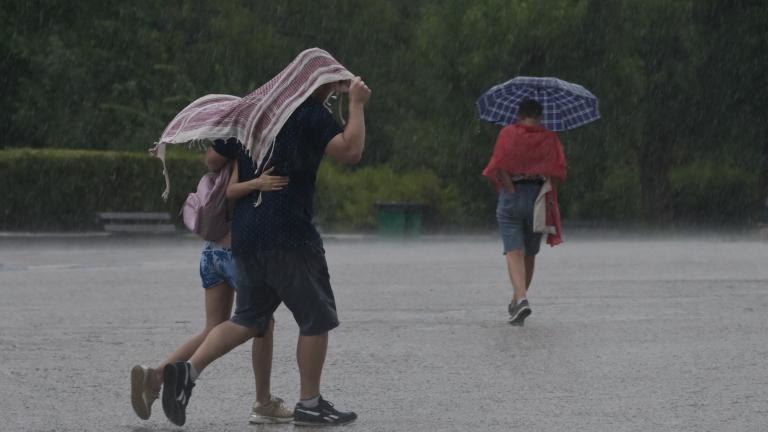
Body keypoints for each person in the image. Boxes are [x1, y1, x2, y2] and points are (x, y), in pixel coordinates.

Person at [160, 59, 371, 426]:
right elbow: (350, 151)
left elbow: (213, 157)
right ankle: (310, 403)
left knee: (247, 319)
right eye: (331, 86)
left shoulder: (254, 112)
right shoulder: (308, 113)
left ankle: (187, 373)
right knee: (316, 317)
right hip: (290, 234)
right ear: (315, 83)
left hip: (245, 235)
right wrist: (356, 105)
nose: (331, 93)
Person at [130, 146, 293, 424]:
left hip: (210, 252)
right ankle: (263, 402)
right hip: (235, 254)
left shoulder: (220, 160)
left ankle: (156, 376)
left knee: (213, 327)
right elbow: (234, 193)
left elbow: (217, 169)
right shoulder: (246, 151)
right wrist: (259, 183)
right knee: (262, 322)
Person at [482, 99, 567, 326]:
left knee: (513, 251)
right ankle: (518, 301)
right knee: (529, 253)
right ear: (540, 116)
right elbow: (557, 171)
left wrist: (510, 187)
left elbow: (498, 164)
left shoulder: (508, 134)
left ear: (519, 115)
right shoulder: (549, 137)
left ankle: (520, 299)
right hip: (538, 197)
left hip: (512, 196)